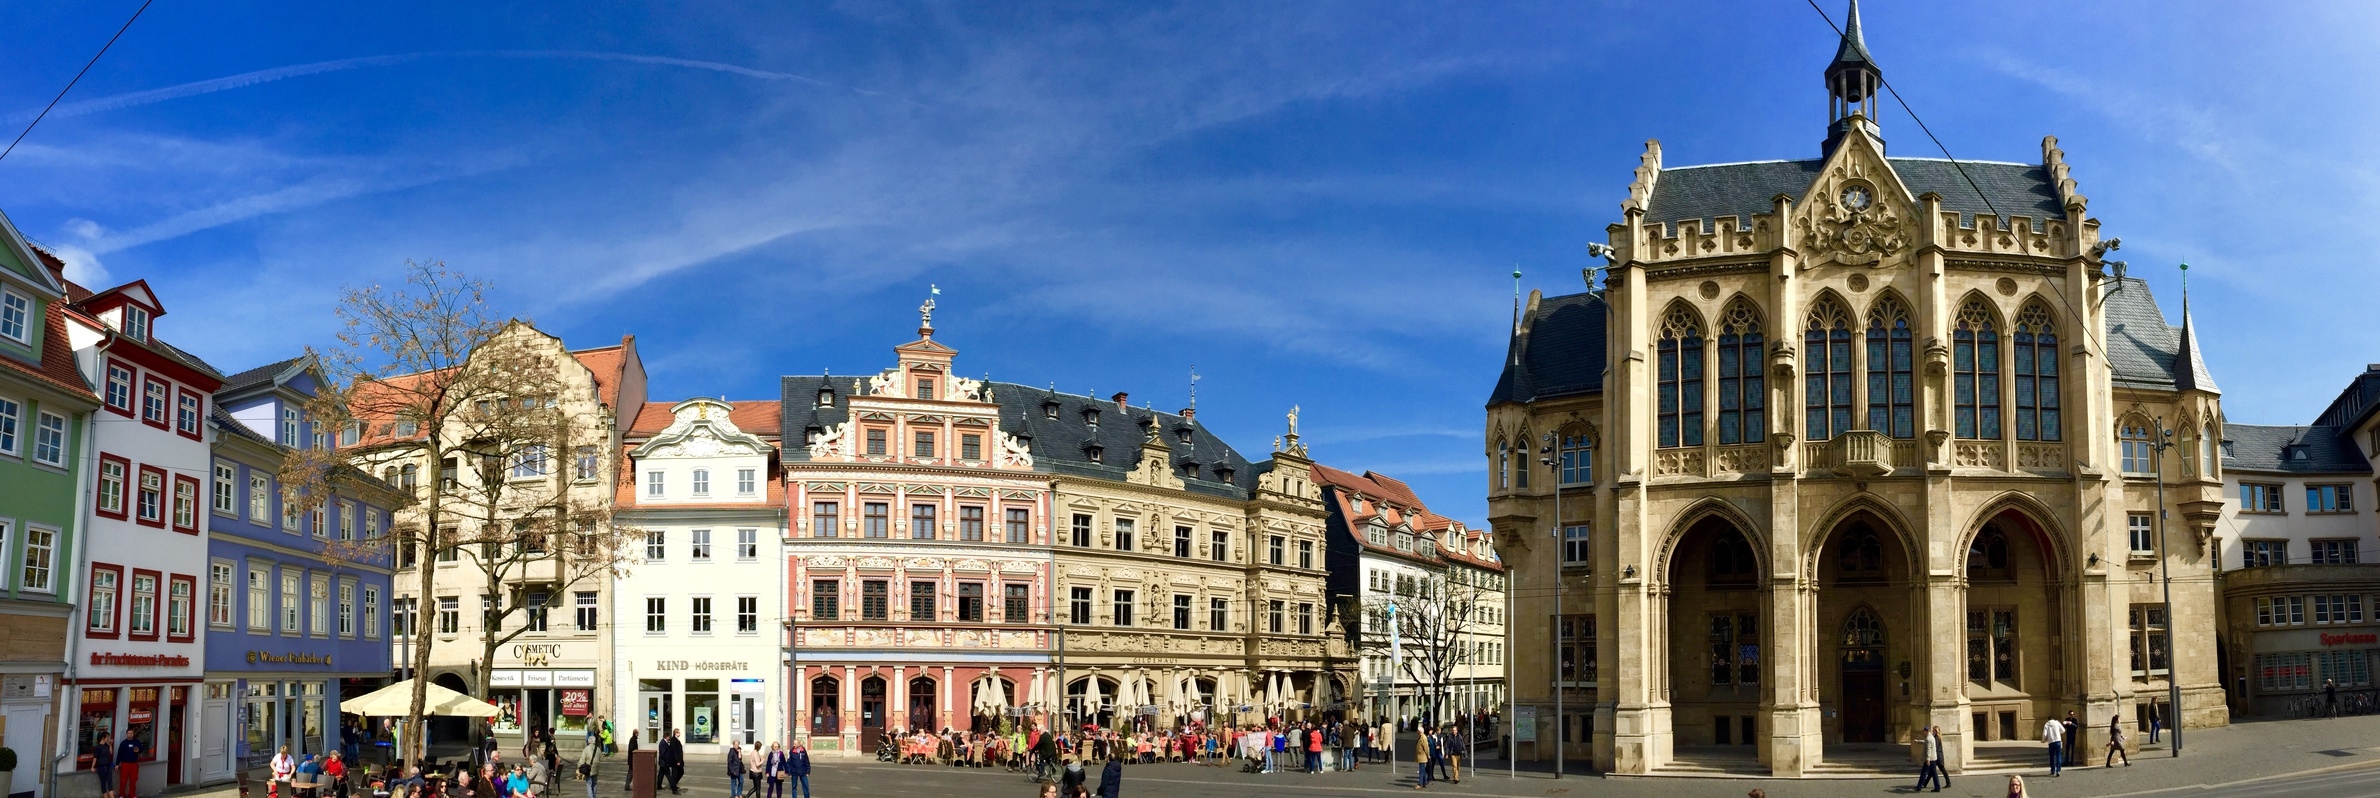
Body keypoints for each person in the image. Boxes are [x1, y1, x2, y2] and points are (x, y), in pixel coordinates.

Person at [116, 732, 147, 798]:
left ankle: (132, 794)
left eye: (132, 733)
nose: (131, 734)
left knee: (133, 780)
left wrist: (138, 750)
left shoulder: (136, 742)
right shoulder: (123, 743)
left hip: (134, 764)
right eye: (129, 733)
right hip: (125, 764)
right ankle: (121, 794)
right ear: (126, 734)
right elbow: (119, 754)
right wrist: (117, 763)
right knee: (123, 780)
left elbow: (141, 749)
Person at [1915, 725, 1943, 792]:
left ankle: (1919, 787)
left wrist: (1927, 759)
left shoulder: (1928, 738)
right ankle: (1937, 787)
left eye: (1924, 731)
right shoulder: (1931, 737)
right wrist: (1918, 741)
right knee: (1934, 773)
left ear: (1926, 731)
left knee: (1923, 773)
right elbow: (1925, 743)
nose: (1923, 733)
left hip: (1930, 759)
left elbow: (1928, 749)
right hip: (1934, 758)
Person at [657, 729, 685, 795]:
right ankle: (673, 787)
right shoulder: (665, 742)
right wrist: (671, 760)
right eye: (678, 732)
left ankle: (659, 786)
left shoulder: (670, 741)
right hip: (665, 762)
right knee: (670, 776)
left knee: (661, 774)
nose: (679, 733)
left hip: (666, 762)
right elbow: (665, 753)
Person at [93, 732, 117, 798]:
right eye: (107, 737)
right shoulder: (98, 747)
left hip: (108, 765)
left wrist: (110, 745)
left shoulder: (106, 745)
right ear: (103, 738)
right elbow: (95, 757)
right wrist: (93, 767)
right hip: (101, 766)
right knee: (103, 781)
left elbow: (110, 753)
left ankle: (111, 795)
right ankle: (105, 795)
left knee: (110, 780)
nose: (108, 739)